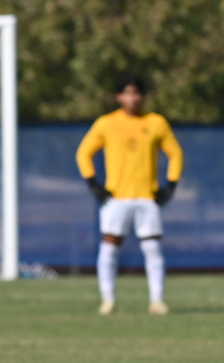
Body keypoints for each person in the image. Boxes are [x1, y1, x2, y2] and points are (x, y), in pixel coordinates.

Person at [75, 73, 184, 315]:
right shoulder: (107, 123)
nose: (132, 98)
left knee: (152, 249)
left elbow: (175, 153)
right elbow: (83, 153)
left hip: (147, 197)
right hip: (116, 198)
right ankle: (108, 300)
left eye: (136, 93)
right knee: (110, 248)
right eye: (127, 93)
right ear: (118, 96)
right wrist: (94, 184)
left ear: (143, 96)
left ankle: (157, 301)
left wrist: (171, 185)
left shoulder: (156, 123)